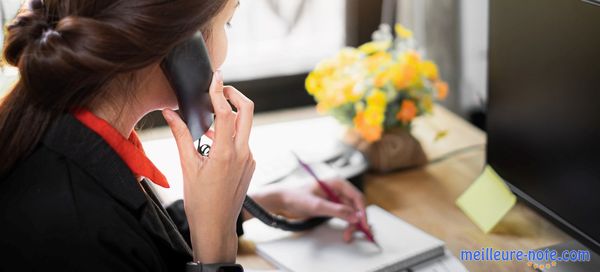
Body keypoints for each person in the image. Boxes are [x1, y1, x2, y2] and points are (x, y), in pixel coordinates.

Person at [0, 0, 370, 271]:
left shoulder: (70, 138)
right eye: (228, 24)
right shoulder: (73, 226)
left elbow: (138, 243)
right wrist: (216, 251)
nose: (225, 47)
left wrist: (260, 202)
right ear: (181, 45)